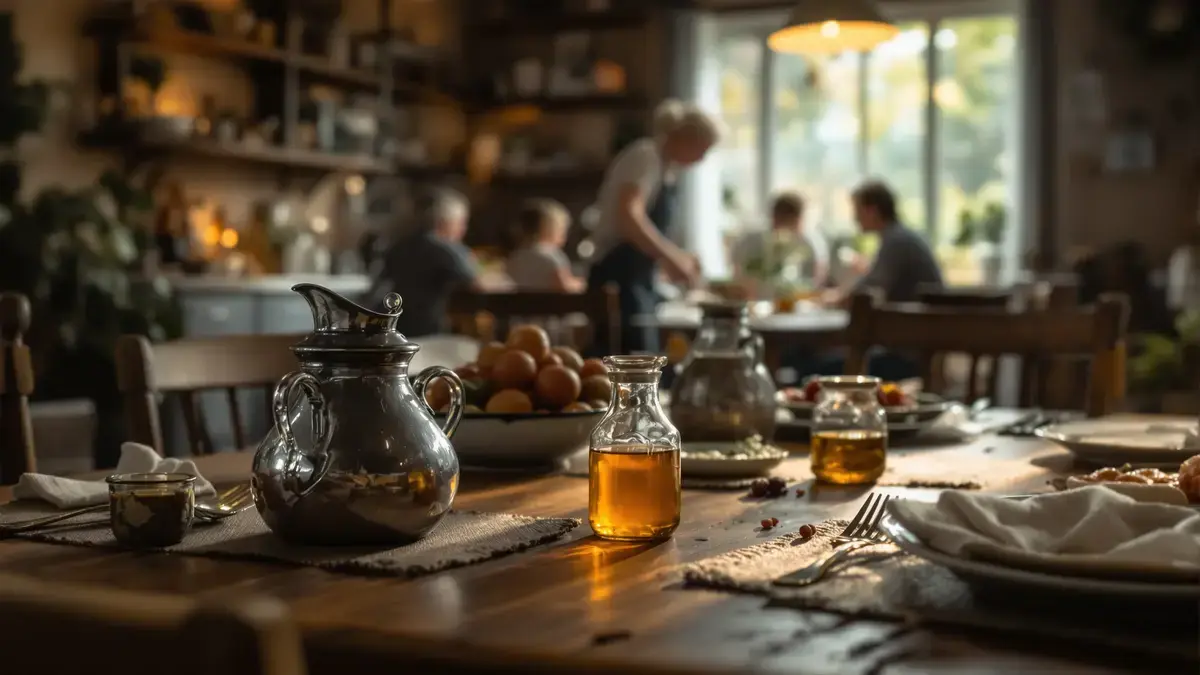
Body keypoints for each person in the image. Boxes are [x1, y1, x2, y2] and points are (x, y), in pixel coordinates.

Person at [587, 99, 720, 353]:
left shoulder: (666, 169)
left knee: (647, 359)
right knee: (630, 360)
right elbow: (629, 216)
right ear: (685, 139)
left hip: (638, 278)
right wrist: (670, 257)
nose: (702, 159)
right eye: (702, 149)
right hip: (617, 275)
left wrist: (676, 259)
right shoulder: (645, 156)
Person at [367, 187, 482, 337]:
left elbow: (379, 285)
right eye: (461, 223)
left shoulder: (400, 245)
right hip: (431, 331)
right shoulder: (446, 249)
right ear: (444, 222)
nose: (463, 229)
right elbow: (477, 283)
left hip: (397, 327)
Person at [823, 180, 944, 307]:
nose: (855, 218)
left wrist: (834, 300)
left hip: (920, 316)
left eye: (858, 210)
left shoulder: (897, 241)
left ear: (872, 211)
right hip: (920, 313)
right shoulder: (899, 236)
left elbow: (870, 287)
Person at [732, 191, 829, 297]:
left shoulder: (810, 242)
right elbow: (738, 274)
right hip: (756, 297)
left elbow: (818, 278)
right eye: (780, 217)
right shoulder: (751, 240)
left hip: (795, 299)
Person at [506, 198, 585, 292]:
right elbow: (562, 285)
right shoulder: (552, 255)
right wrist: (580, 284)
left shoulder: (515, 257)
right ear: (551, 229)